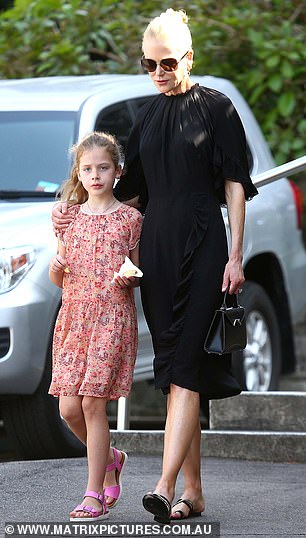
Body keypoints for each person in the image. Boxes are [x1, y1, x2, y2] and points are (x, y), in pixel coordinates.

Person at [52, 8, 258, 524]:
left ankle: (163, 486)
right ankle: (194, 491)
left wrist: (235, 254)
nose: (158, 72)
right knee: (171, 372)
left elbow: (235, 183)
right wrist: (74, 213)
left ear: (189, 56)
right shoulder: (147, 117)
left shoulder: (217, 108)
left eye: (167, 62)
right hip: (157, 250)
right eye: (149, 64)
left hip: (203, 240)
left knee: (187, 362)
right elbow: (125, 195)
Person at [48, 131, 143, 521]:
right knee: (69, 409)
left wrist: (130, 277)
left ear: (117, 171)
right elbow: (61, 274)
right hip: (73, 318)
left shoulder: (131, 218)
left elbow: (136, 269)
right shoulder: (67, 219)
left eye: (103, 167)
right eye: (87, 169)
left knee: (91, 404)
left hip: (111, 318)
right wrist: (56, 270)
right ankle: (111, 458)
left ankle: (93, 493)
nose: (95, 175)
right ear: (79, 173)